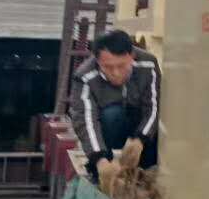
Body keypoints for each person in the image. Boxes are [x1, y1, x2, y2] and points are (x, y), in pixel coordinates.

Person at [68, 29, 160, 185]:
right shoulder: (84, 76)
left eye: (121, 66)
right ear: (97, 61)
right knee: (111, 114)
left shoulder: (148, 63)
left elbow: (153, 106)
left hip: (139, 127)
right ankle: (104, 170)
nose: (116, 73)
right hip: (110, 131)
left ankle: (145, 169)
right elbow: (85, 121)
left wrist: (141, 139)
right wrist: (99, 158)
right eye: (108, 67)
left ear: (131, 56)